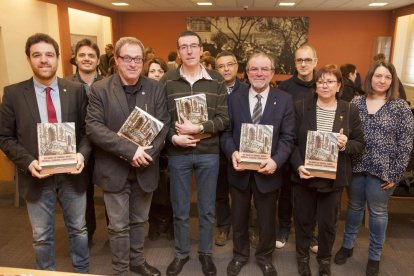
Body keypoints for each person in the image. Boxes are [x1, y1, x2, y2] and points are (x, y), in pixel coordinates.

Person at [0, 33, 90, 272]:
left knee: (79, 230)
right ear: (28, 59)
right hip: (36, 176)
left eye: (49, 55)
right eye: (37, 55)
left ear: (58, 58)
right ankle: (45, 273)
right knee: (41, 235)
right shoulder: (13, 94)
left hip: (72, 175)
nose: (44, 60)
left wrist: (81, 155)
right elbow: (4, 137)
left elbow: (87, 132)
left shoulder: (76, 90)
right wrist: (29, 163)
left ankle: (82, 271)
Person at [86, 37, 170, 276]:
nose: (133, 64)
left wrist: (145, 154)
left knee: (138, 220)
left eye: (138, 59)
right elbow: (93, 127)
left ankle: (137, 261)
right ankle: (120, 269)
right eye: (127, 58)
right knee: (118, 226)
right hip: (114, 169)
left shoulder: (155, 88)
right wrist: (131, 151)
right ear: (116, 60)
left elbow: (163, 125)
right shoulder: (101, 89)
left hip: (145, 167)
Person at [334, 61, 414, 276]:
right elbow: (346, 132)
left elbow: (405, 145)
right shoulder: (356, 102)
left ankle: (375, 256)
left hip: (384, 171)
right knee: (354, 208)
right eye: (378, 76)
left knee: (378, 213)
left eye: (387, 77)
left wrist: (396, 175)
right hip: (356, 166)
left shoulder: (400, 107)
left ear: (392, 81)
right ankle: (347, 246)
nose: (382, 81)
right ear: (370, 78)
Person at [160, 30, 229, 276]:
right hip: (178, 153)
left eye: (193, 46)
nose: (189, 51)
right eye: (183, 47)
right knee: (179, 207)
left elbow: (224, 119)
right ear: (178, 52)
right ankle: (181, 254)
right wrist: (173, 136)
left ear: (201, 50)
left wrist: (199, 127)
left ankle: (206, 254)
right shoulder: (167, 80)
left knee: (207, 208)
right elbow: (161, 120)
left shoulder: (216, 79)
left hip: (208, 153)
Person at [221, 52, 296, 276]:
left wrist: (276, 161)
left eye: (264, 69)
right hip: (239, 170)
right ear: (247, 73)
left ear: (272, 72)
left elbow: (288, 137)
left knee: (266, 219)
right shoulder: (234, 98)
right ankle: (239, 255)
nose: (259, 73)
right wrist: (232, 152)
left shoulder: (284, 100)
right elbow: (225, 133)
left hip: (269, 172)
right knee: (239, 216)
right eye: (254, 69)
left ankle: (264, 256)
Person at [291, 64, 365, 276]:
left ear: (339, 85)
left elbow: (359, 144)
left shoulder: (350, 109)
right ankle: (302, 258)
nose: (325, 85)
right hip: (305, 175)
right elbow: (292, 142)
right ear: (315, 86)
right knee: (303, 221)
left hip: (333, 179)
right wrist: (298, 166)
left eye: (330, 81)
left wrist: (344, 144)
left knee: (328, 224)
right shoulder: (301, 106)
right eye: (320, 81)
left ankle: (324, 259)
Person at [275, 44, 318, 251]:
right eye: (299, 60)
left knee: (313, 194)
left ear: (315, 62)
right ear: (295, 63)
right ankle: (283, 227)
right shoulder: (284, 88)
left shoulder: (323, 84)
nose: (303, 64)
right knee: (286, 192)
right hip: (288, 147)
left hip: (315, 150)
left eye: (307, 60)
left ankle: (310, 232)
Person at [65, 38, 103, 244]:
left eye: (91, 55)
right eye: (82, 55)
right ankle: (87, 235)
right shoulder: (65, 85)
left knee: (112, 193)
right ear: (75, 59)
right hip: (79, 147)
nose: (86, 59)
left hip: (106, 147)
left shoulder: (110, 83)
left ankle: (115, 235)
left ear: (98, 60)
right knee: (83, 192)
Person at [214, 51, 249, 246]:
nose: (226, 69)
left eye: (230, 64)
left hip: (242, 148)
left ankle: (245, 227)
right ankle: (224, 226)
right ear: (216, 69)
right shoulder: (212, 89)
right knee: (220, 192)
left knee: (243, 191)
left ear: (237, 67)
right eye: (221, 66)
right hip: (216, 148)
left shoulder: (248, 89)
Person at [142, 57, 174, 241]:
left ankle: (168, 225)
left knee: (168, 190)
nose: (156, 74)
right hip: (147, 149)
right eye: (152, 71)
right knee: (150, 190)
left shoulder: (169, 92)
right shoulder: (143, 93)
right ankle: (154, 224)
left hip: (168, 150)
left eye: (160, 71)